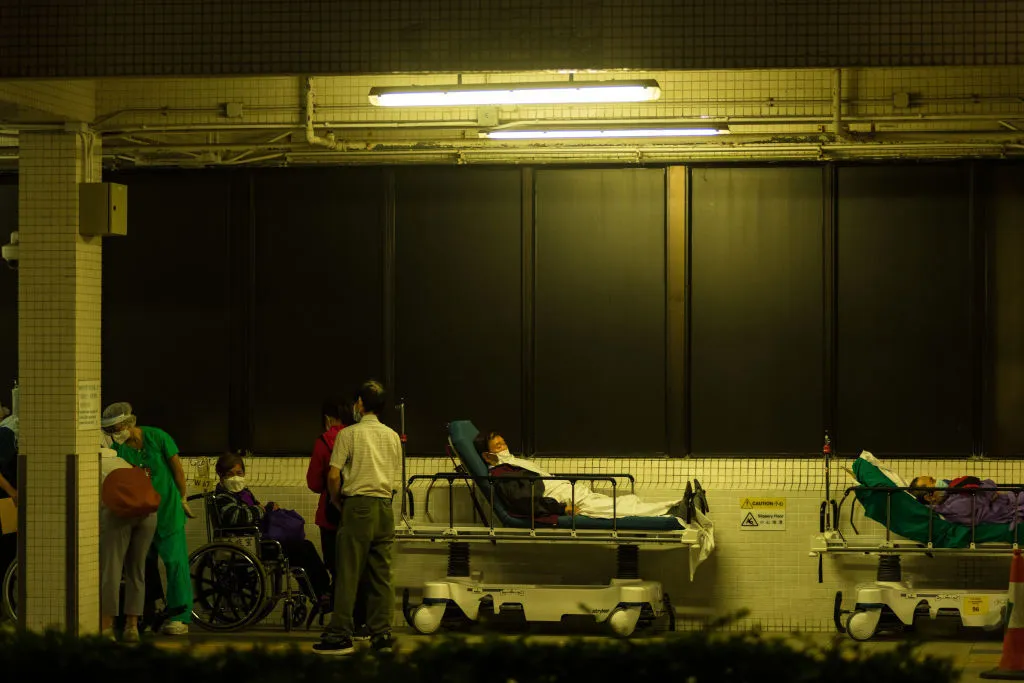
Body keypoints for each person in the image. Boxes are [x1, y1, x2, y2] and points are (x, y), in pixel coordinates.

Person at [313, 380, 402, 656]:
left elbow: (333, 475)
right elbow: (396, 481)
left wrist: (339, 502)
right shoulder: (392, 437)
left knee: (348, 573)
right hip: (385, 508)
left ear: (360, 404)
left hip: (357, 506)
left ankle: (340, 634)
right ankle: (382, 635)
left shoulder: (348, 435)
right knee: (381, 574)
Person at [101, 402, 193, 636]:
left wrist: (182, 496)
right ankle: (146, 615)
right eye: (110, 431)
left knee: (175, 564)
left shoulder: (157, 437)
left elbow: (177, 470)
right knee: (143, 568)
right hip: (139, 511)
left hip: (168, 510)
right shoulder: (120, 451)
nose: (115, 434)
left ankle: (179, 616)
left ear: (129, 423)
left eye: (117, 428)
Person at [476, 431, 684, 520]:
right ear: (487, 455)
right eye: (498, 446)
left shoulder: (511, 465)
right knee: (617, 509)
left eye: (504, 443)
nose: (504, 448)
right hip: (566, 500)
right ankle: (672, 511)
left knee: (621, 503)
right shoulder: (502, 474)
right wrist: (561, 509)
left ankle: (672, 508)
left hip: (570, 492)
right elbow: (522, 502)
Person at [214, 452, 332, 603]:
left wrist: (267, 508)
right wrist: (262, 510)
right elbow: (235, 517)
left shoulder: (244, 493)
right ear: (221, 475)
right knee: (300, 550)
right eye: (230, 474)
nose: (235, 478)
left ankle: (321, 590)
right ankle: (319, 594)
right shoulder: (223, 496)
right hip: (248, 543)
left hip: (258, 539)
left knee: (305, 546)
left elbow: (257, 508)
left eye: (239, 473)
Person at [306, 399, 369, 635]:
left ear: (327, 418)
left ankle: (341, 623)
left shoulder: (323, 442)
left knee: (337, 569)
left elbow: (313, 483)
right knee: (358, 568)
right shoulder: (359, 437)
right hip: (358, 511)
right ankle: (361, 622)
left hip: (330, 515)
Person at [99, 445, 157, 642]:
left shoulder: (91, 465)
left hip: (119, 515)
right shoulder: (124, 462)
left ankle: (107, 627)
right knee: (137, 571)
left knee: (111, 571)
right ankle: (131, 627)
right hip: (148, 513)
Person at [909, 474, 1018, 526]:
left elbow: (987, 485)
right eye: (932, 481)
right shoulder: (953, 506)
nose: (938, 480)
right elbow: (988, 489)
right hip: (1010, 508)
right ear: (929, 497)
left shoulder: (949, 493)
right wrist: (990, 491)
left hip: (1009, 501)